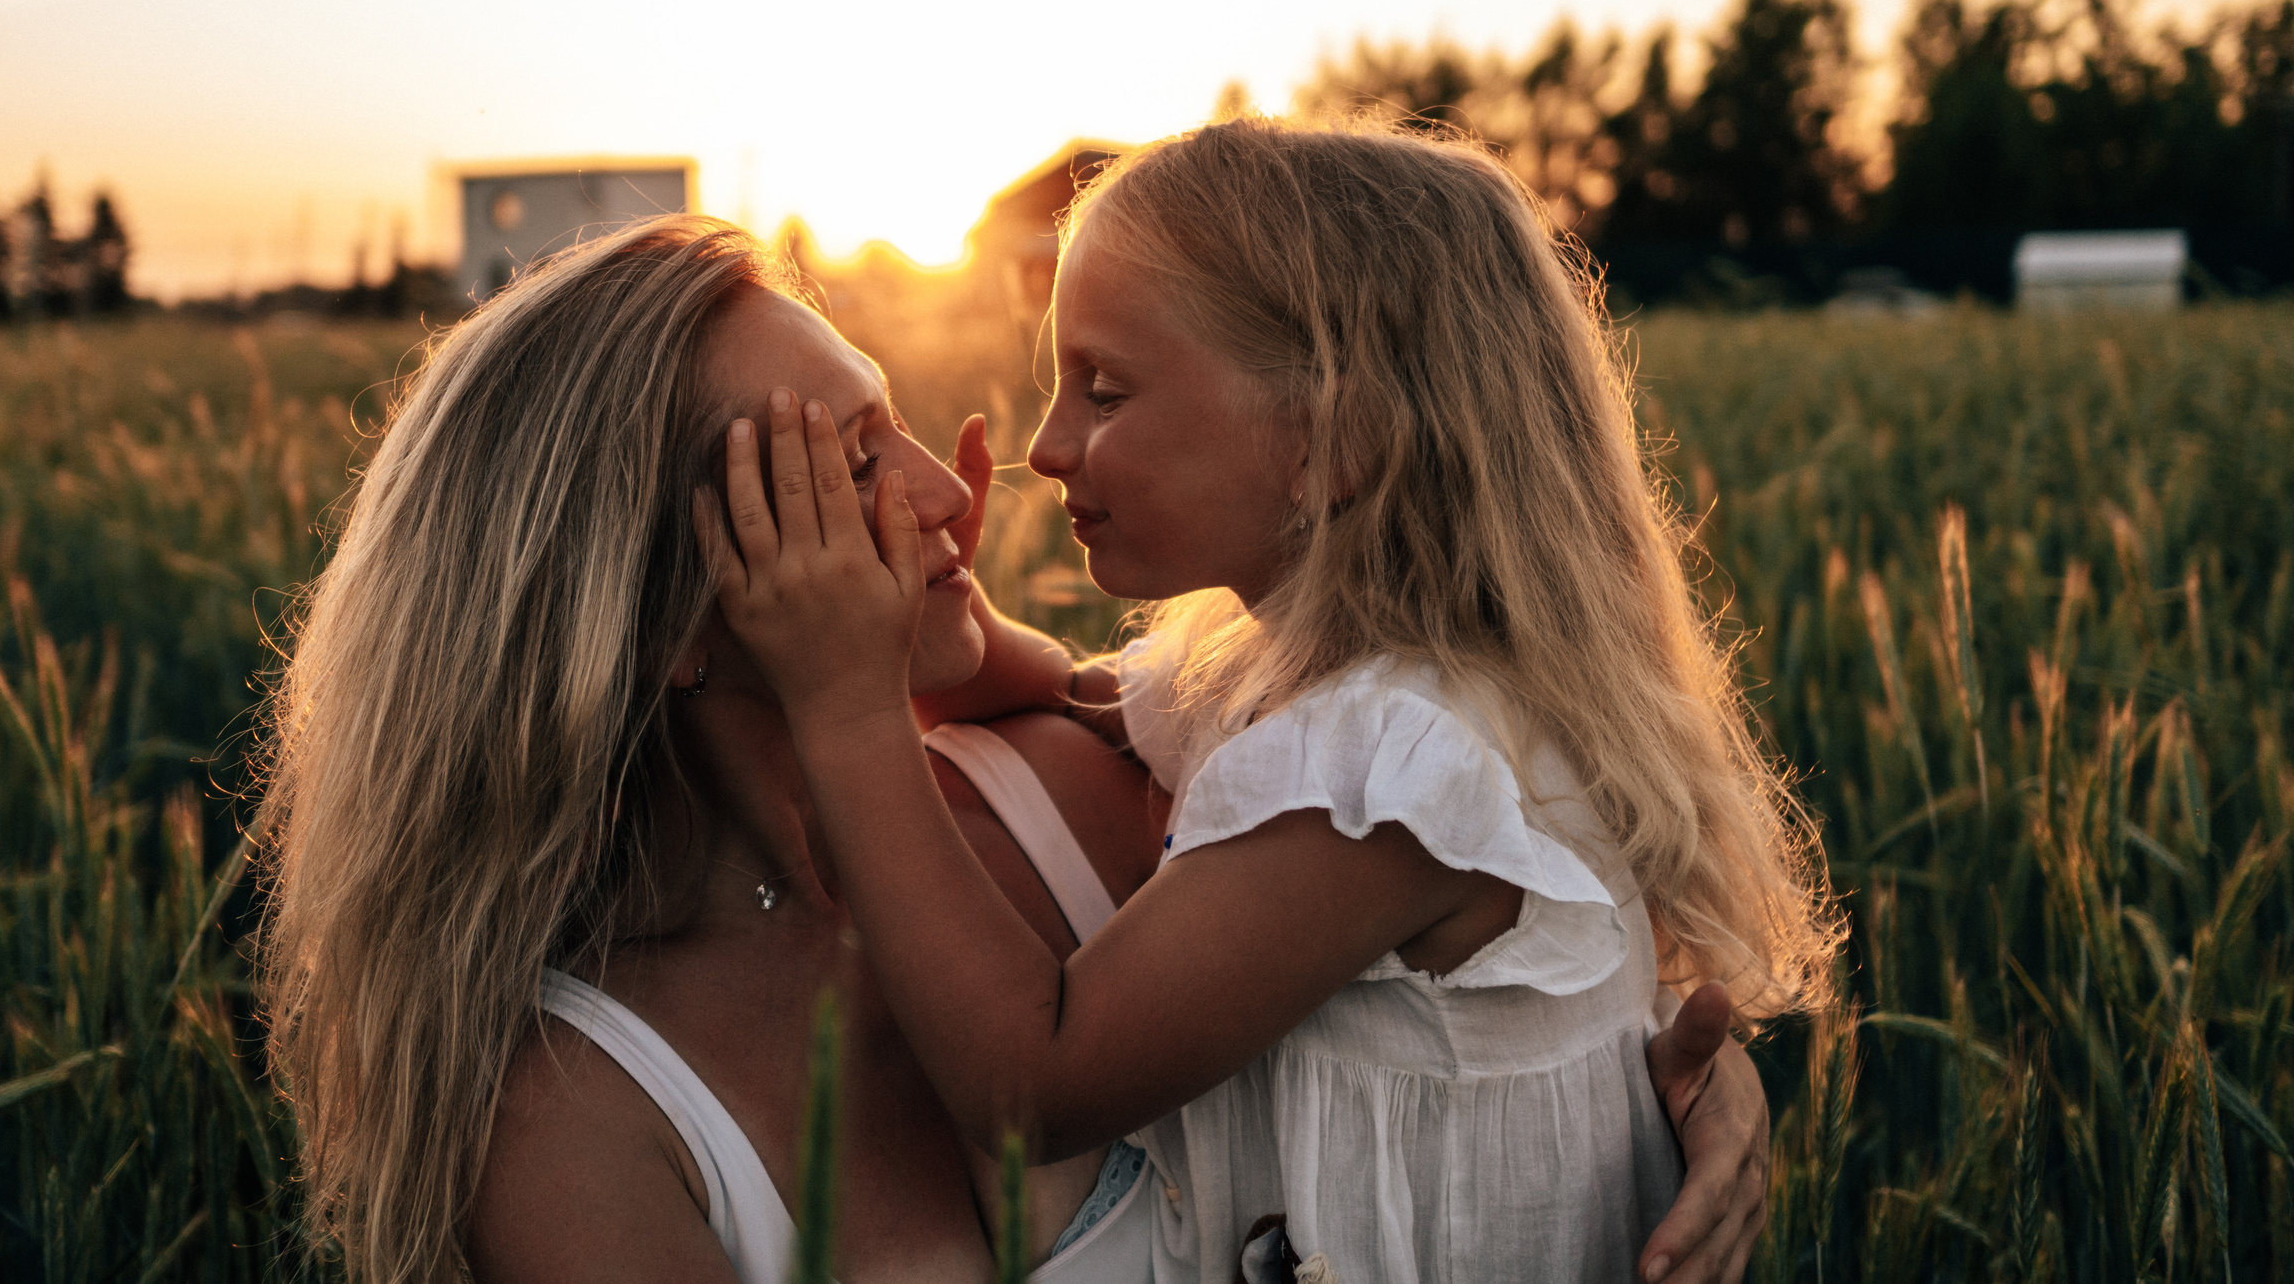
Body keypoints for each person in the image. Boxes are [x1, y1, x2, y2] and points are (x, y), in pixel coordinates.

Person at [253, 212, 1773, 1284]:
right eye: (850, 465)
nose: (953, 487)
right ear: (661, 621)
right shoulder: (570, 1111)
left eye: (900, 423)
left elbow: (1477, 921)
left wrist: (1645, 1099)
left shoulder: (1089, 781)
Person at [705, 122, 1841, 1283]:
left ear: (1330, 439)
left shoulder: (1385, 776)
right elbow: (1079, 691)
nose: (1044, 447)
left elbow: (1031, 1083)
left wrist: (844, 708)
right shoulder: (1337, 690)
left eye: (1103, 390)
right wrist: (935, 607)